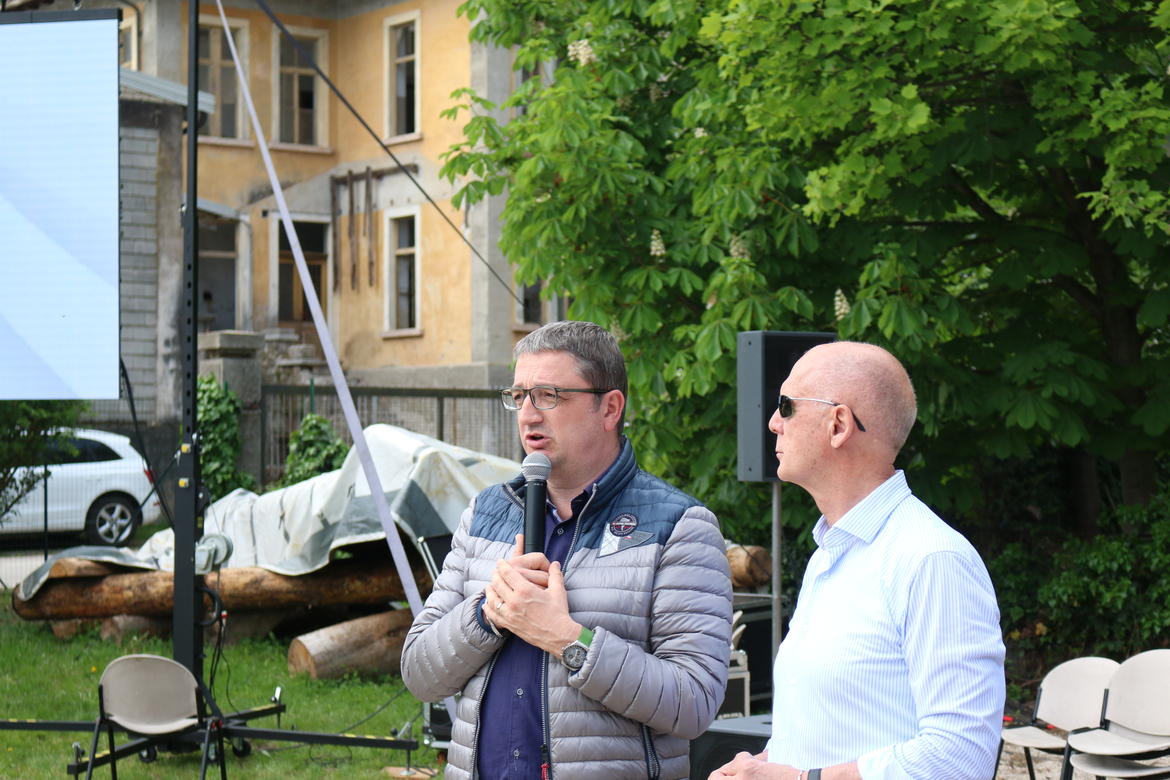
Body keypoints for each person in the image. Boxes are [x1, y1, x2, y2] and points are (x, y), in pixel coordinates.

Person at [402, 320, 733, 780]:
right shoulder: (484, 513)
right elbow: (419, 674)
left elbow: (694, 703)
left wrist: (567, 639)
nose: (528, 415)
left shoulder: (678, 526)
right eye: (520, 396)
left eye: (549, 396)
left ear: (609, 408)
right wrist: (489, 612)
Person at [711, 341, 1005, 780]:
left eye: (786, 406)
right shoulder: (830, 553)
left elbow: (961, 756)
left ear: (838, 425)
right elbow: (832, 729)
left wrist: (801, 779)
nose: (772, 422)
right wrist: (761, 765)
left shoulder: (932, 559)